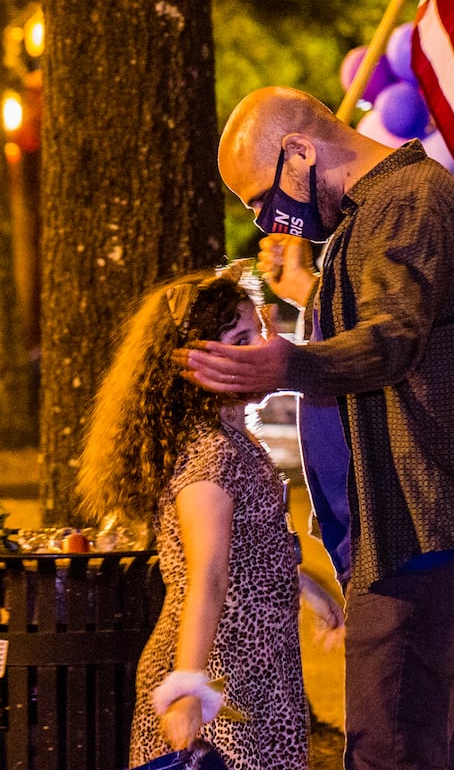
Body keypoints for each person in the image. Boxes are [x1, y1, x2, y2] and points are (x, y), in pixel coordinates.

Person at [173, 85, 454, 770]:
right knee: (438, 752)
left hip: (424, 534)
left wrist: (287, 364)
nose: (265, 219)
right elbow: (389, 315)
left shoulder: (408, 201)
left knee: (388, 751)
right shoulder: (379, 215)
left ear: (301, 151)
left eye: (262, 197)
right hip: (415, 535)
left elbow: (392, 340)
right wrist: (307, 297)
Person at [77, 261, 341, 770]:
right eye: (240, 340)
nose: (260, 348)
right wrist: (187, 687)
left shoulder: (232, 439)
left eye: (257, 333)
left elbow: (241, 550)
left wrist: (301, 584)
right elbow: (207, 576)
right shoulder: (209, 456)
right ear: (195, 363)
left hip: (256, 669)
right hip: (220, 675)